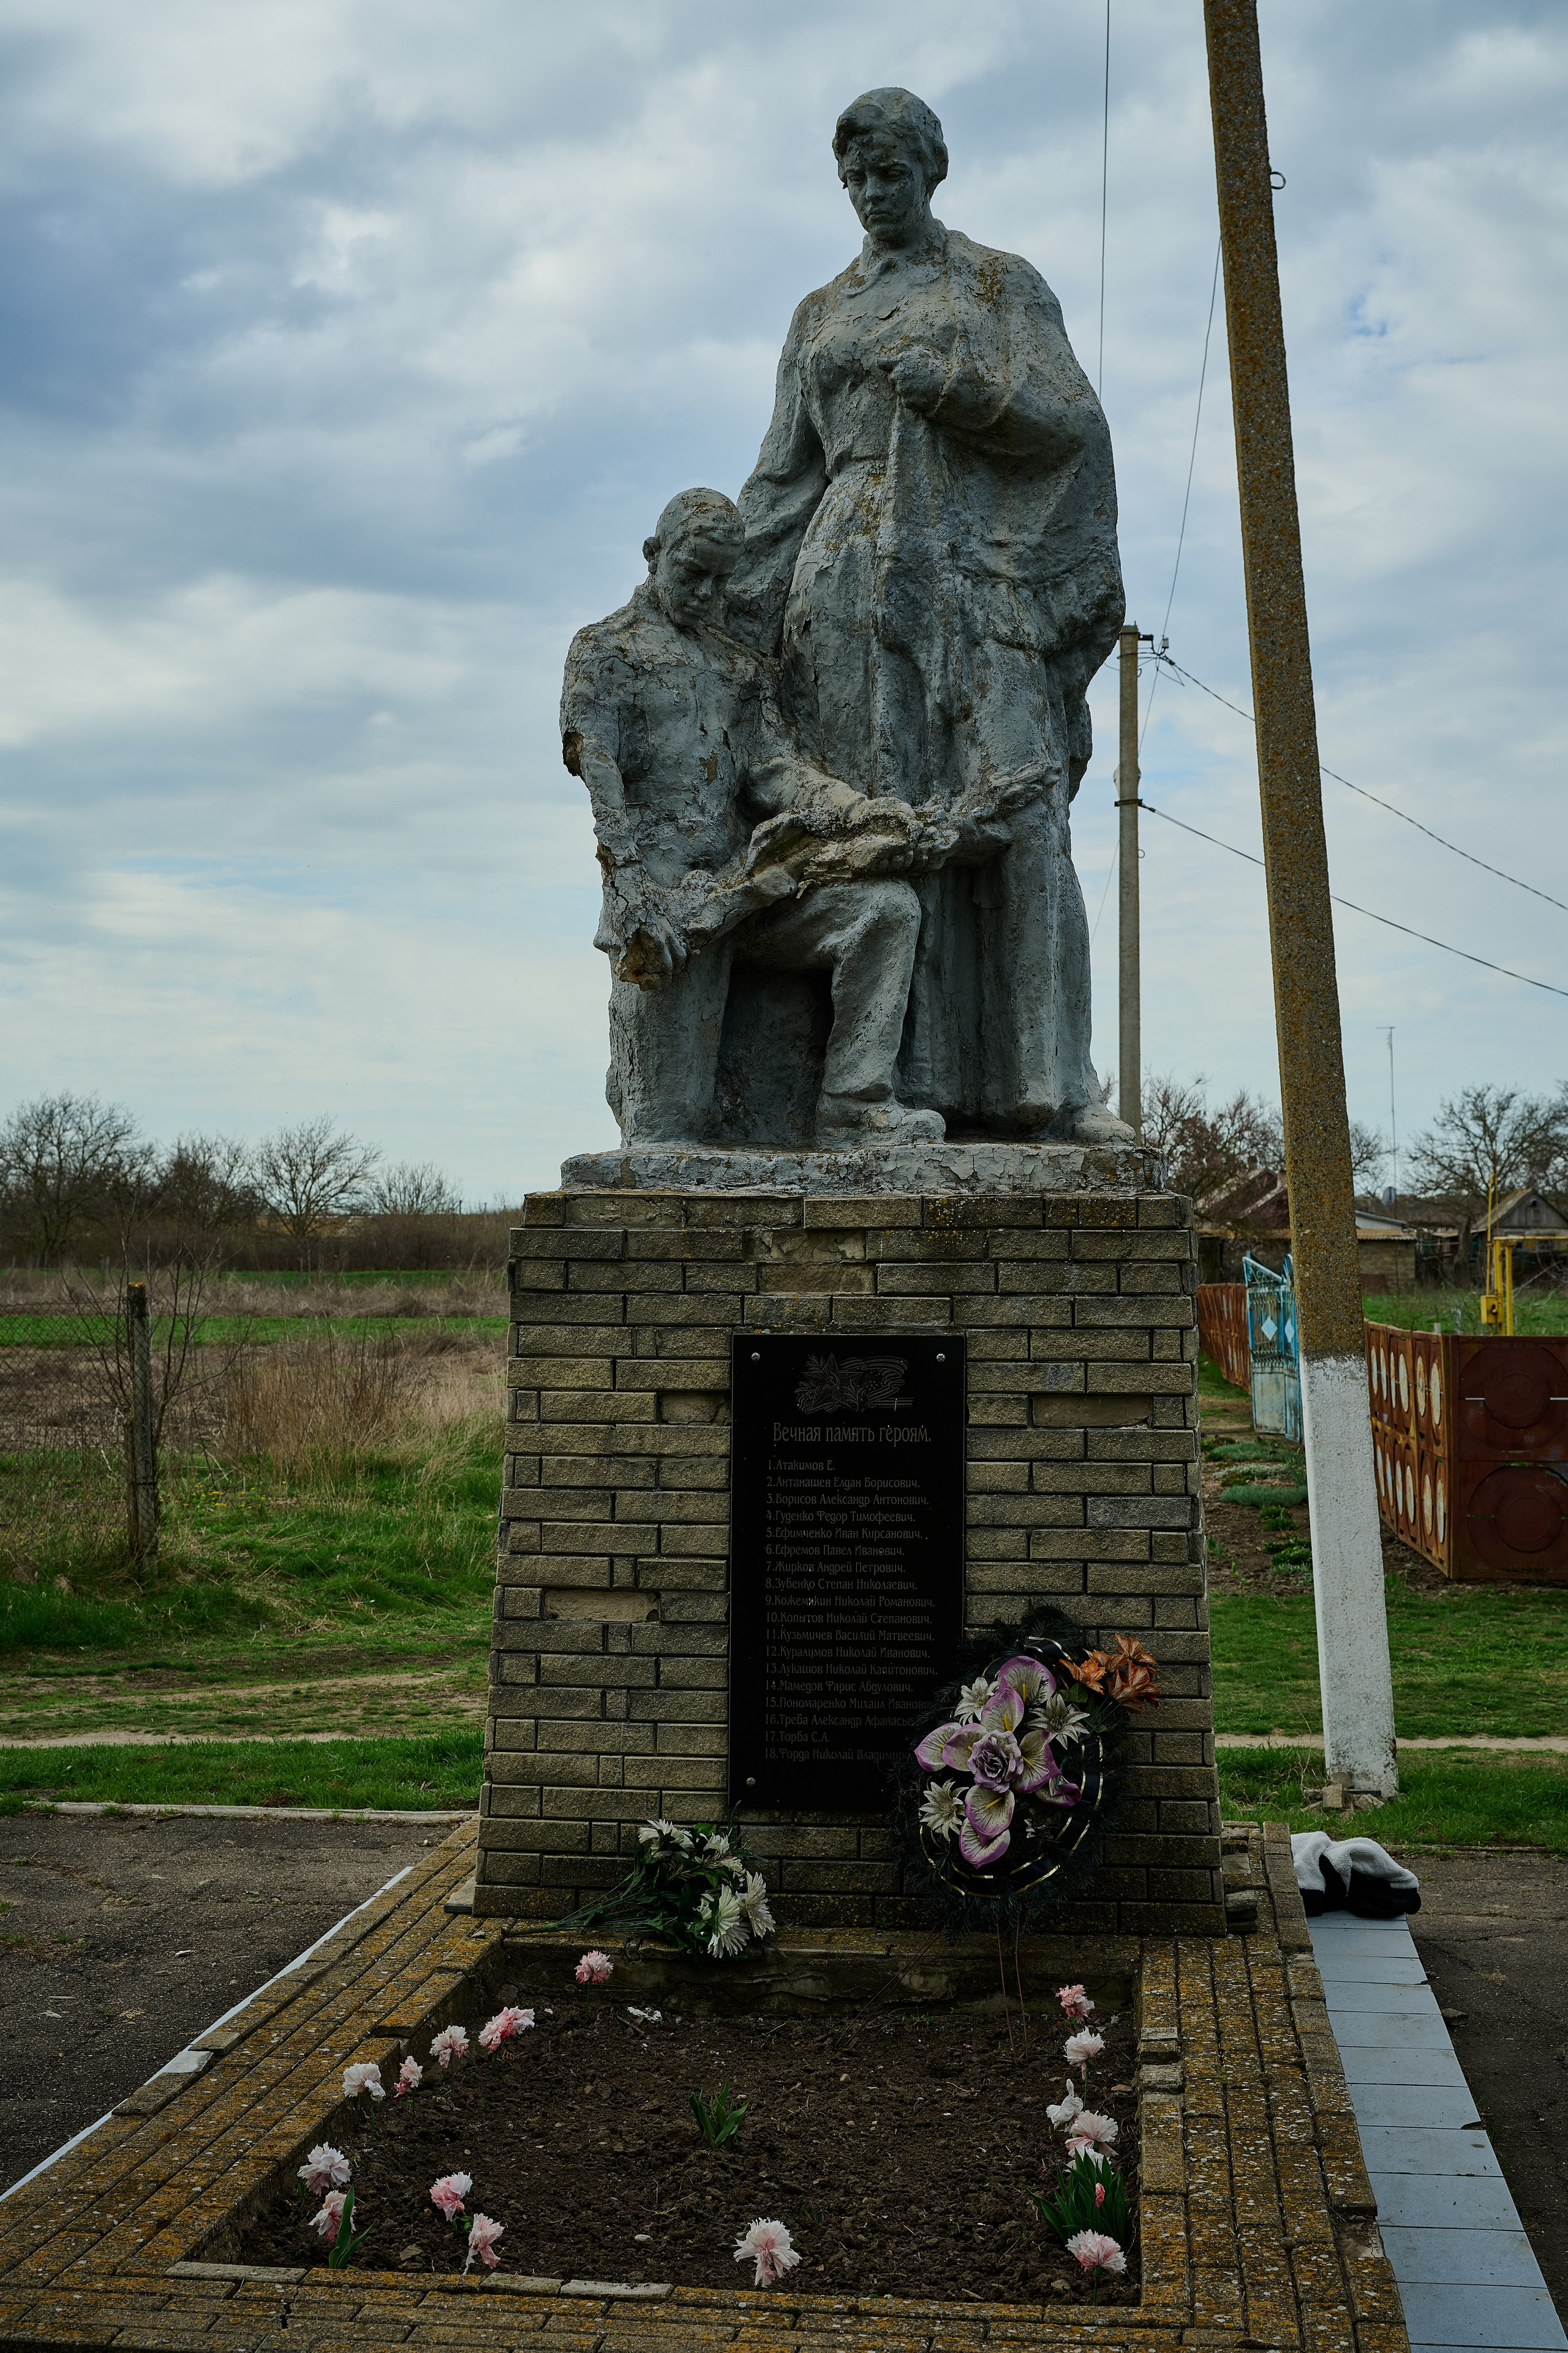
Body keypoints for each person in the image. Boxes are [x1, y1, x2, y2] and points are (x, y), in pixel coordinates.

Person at [728, 87, 1133, 1144]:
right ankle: (894, 1085)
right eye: (856, 178)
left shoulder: (998, 284)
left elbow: (1074, 426)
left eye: (891, 173)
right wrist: (708, 594)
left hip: (973, 572)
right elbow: (782, 476)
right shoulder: (819, 313)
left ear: (932, 171)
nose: (873, 193)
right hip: (842, 583)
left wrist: (961, 389)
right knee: (883, 823)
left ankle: (1055, 1088)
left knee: (1020, 810)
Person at [561, 487, 946, 1147]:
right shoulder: (603, 652)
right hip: (668, 914)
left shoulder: (739, 669)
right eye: (693, 574)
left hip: (751, 889)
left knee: (885, 909)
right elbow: (603, 788)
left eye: (721, 580)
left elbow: (776, 770)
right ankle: (646, 1082)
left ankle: (853, 1106)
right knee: (664, 1135)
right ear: (654, 554)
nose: (707, 594)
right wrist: (632, 899)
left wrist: (858, 812)